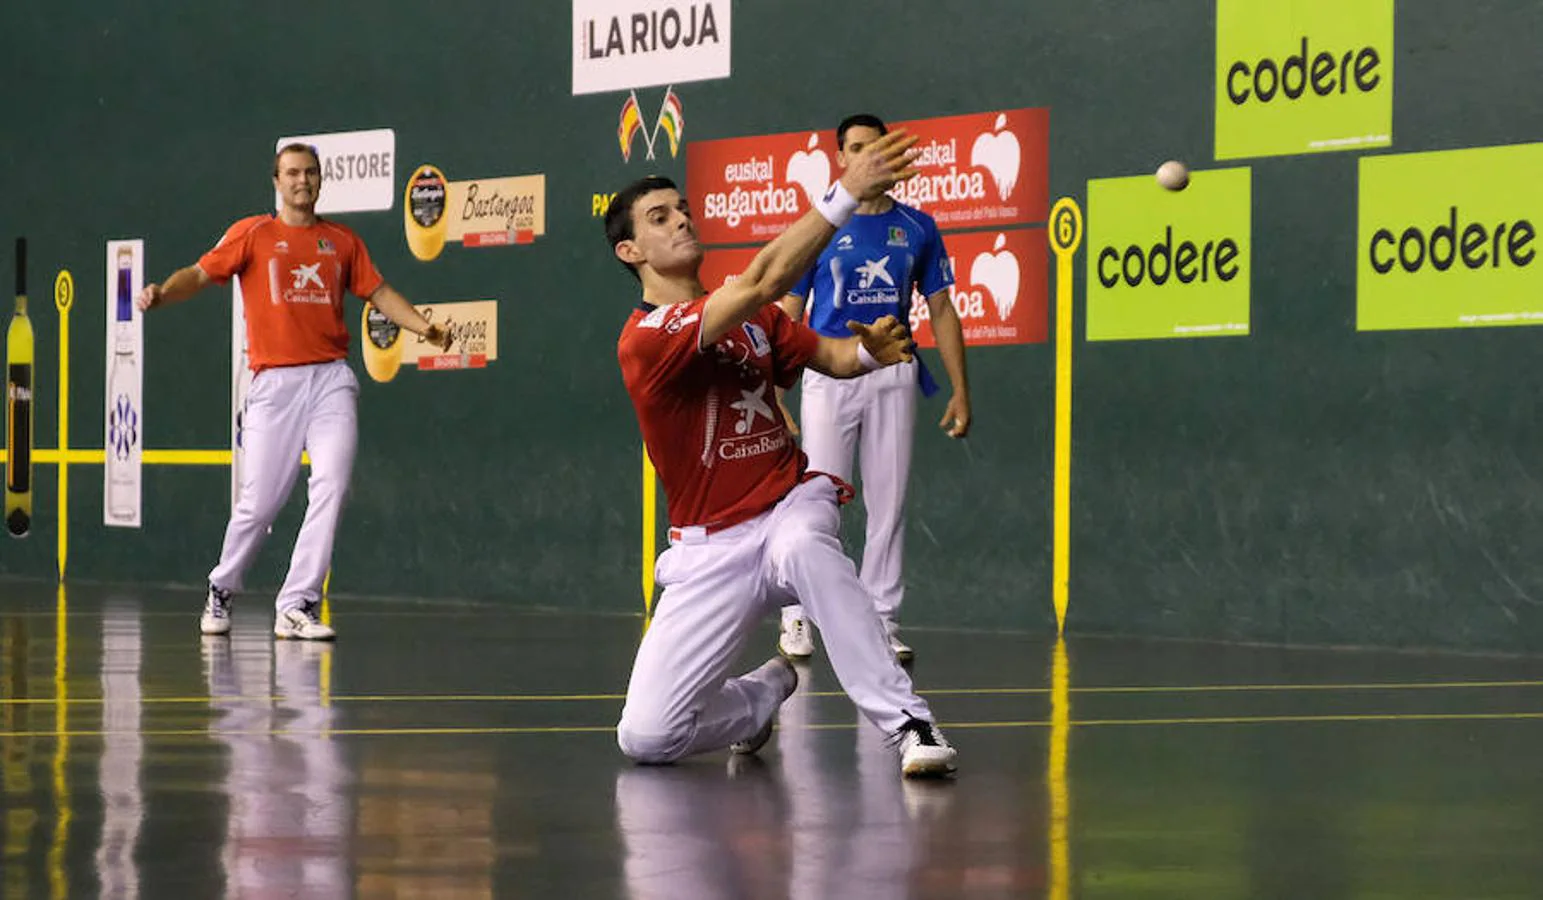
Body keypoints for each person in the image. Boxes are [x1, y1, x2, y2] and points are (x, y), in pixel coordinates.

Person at [606, 128, 957, 777]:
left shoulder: (755, 320)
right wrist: (847, 193)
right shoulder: (647, 340)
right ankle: (763, 693)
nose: (681, 218)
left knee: (802, 544)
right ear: (631, 251)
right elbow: (764, 279)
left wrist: (864, 354)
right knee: (646, 738)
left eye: (681, 208)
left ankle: (907, 721)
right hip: (707, 549)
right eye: (660, 217)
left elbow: (824, 354)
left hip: (788, 504)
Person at [137, 143, 452, 641]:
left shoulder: (341, 241)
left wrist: (423, 328)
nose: (302, 181)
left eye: (310, 173)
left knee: (332, 485)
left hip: (331, 379)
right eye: (292, 174)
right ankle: (223, 586)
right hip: (274, 384)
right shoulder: (253, 235)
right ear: (276, 182)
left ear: (321, 180)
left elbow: (379, 293)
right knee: (260, 503)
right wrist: (161, 294)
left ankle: (298, 602)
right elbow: (199, 275)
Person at [776, 113, 973, 663]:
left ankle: (881, 620)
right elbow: (789, 315)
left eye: (875, 147)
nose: (866, 156)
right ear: (842, 159)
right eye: (855, 148)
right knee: (815, 500)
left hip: (893, 372)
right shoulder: (821, 226)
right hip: (827, 371)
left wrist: (960, 389)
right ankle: (796, 617)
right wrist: (774, 394)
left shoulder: (918, 227)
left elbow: (941, 310)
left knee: (889, 500)